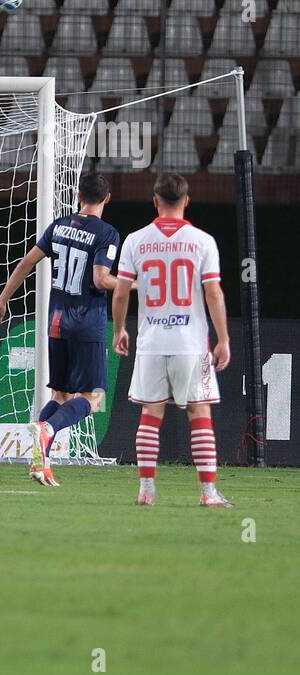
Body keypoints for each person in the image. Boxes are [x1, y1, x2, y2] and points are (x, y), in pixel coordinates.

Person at [0, 171, 121, 486]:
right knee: (91, 399)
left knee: (61, 396)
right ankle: (47, 430)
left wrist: (2, 300)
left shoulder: (59, 226)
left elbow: (26, 263)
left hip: (57, 321)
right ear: (107, 198)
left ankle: (39, 459)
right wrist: (131, 283)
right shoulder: (107, 233)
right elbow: (101, 280)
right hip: (87, 323)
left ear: (78, 197)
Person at [111, 173, 232, 508]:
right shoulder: (202, 241)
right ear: (186, 200)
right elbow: (213, 292)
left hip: (152, 341)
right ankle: (208, 494)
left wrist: (119, 329)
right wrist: (222, 339)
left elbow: (121, 293)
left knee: (151, 413)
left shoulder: (136, 240)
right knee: (199, 412)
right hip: (191, 342)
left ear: (155, 200)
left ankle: (146, 490)